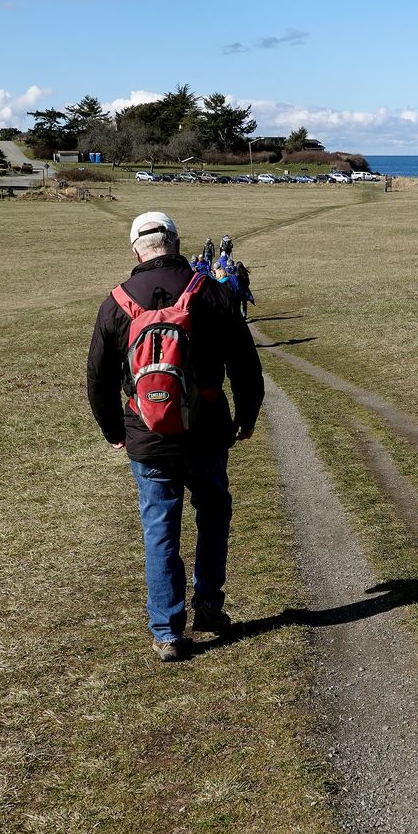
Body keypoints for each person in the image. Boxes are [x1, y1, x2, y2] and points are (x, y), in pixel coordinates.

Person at [87, 211, 264, 661]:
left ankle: (166, 631)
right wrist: (247, 416)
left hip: (146, 435)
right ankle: (208, 605)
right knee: (214, 514)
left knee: (159, 529)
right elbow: (245, 362)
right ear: (177, 242)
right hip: (206, 430)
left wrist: (113, 430)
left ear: (135, 250)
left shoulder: (117, 301)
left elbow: (98, 378)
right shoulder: (213, 293)